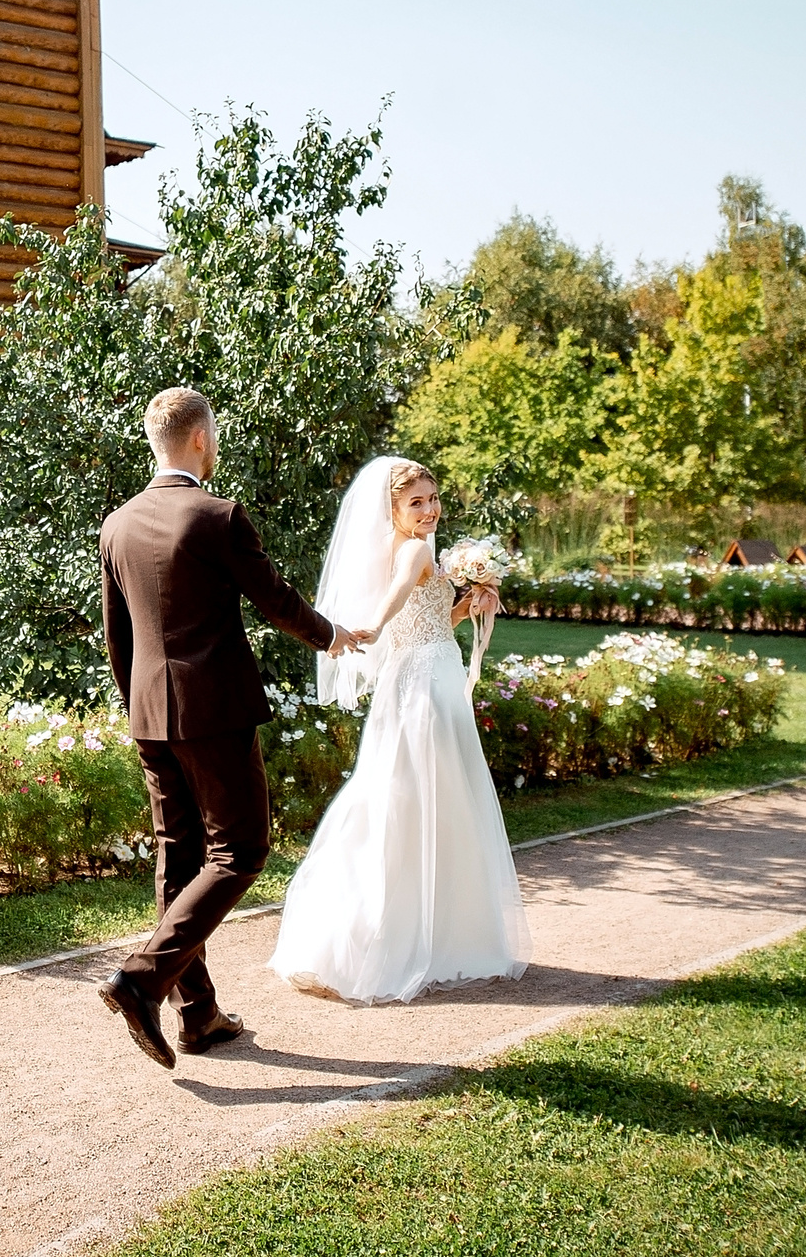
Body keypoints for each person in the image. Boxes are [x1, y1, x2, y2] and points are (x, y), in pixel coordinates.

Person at [96, 387, 366, 1068]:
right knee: (240, 852)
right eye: (213, 437)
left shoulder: (117, 524)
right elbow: (274, 597)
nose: (215, 446)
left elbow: (116, 637)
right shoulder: (218, 515)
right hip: (213, 712)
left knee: (178, 859)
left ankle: (199, 1014)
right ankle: (141, 978)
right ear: (197, 440)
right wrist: (331, 635)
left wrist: (141, 709)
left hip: (150, 713)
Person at [266, 456, 530, 1004]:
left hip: (424, 672)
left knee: (411, 794)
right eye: (417, 502)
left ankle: (421, 931)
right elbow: (397, 600)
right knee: (428, 796)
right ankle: (421, 936)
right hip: (426, 684)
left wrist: (468, 606)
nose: (429, 510)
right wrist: (371, 626)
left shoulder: (407, 547)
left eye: (433, 499)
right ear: (393, 509)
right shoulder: (412, 550)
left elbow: (428, 618)